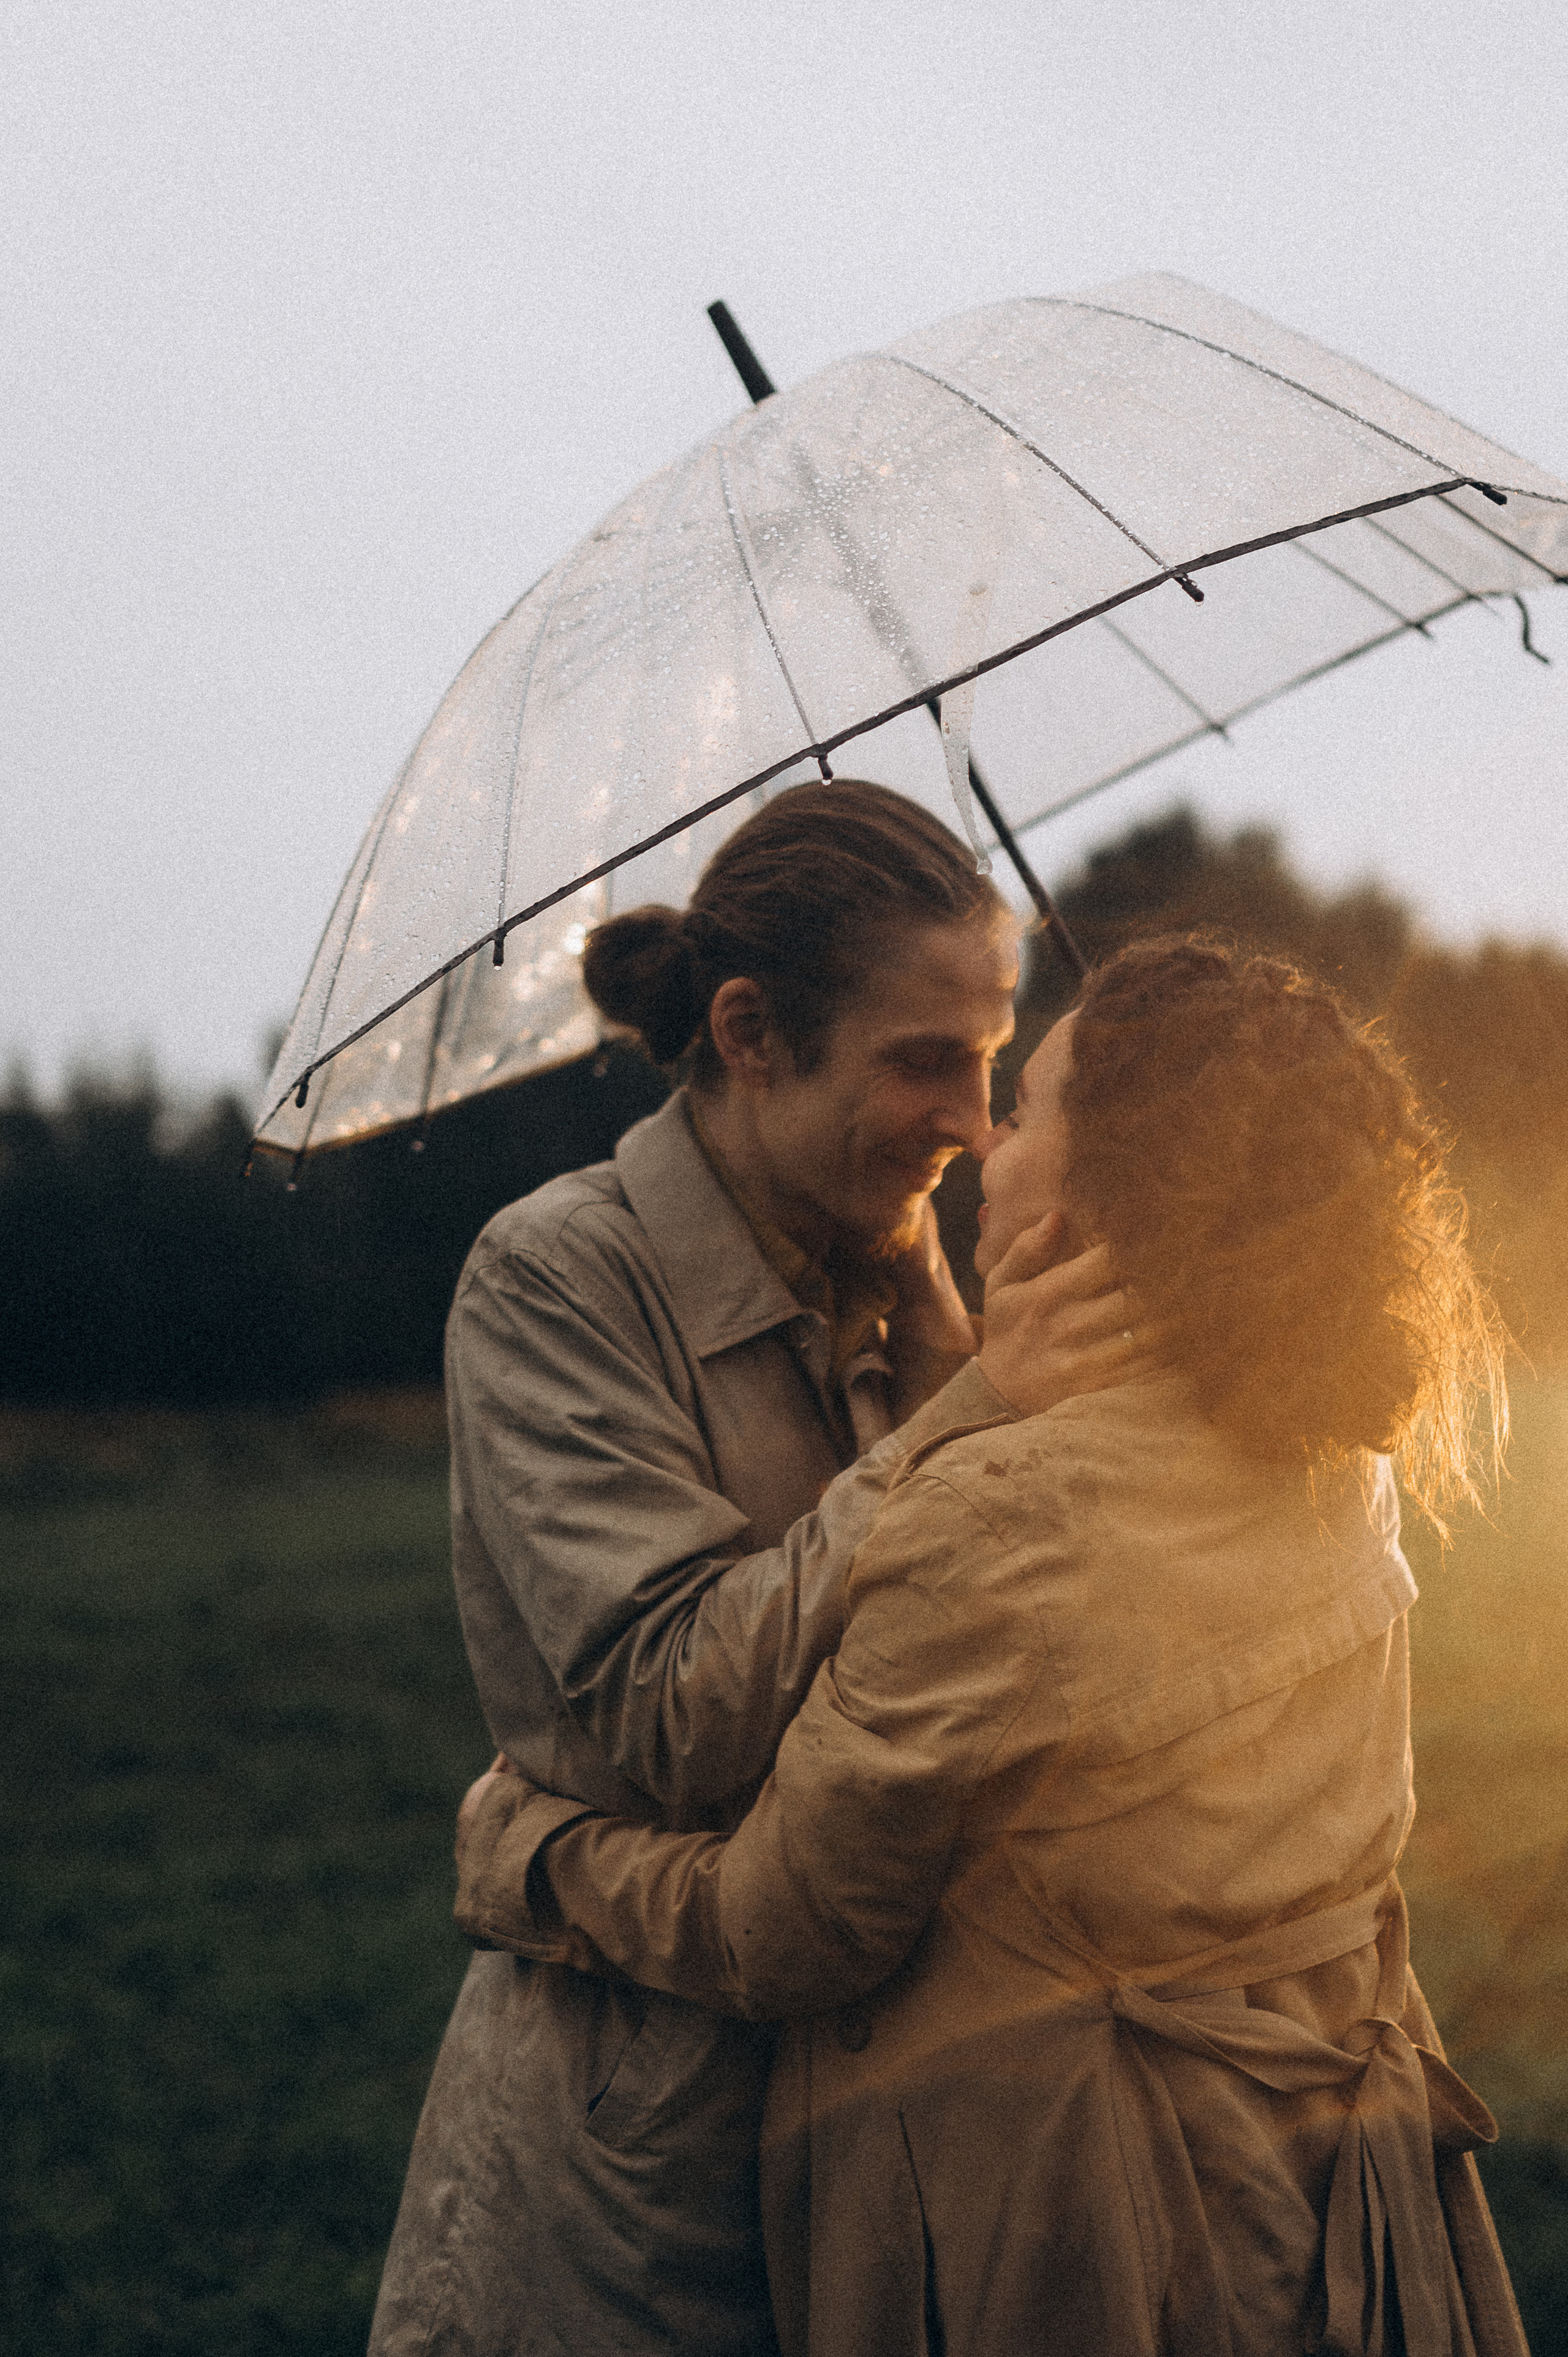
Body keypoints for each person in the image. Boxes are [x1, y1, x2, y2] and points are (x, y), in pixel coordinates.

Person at [454, 937, 1528, 2357]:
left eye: (1018, 1110)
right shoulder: (1334, 1443)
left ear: (1104, 1196)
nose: (978, 1145)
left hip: (1091, 2222)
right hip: (1329, 2183)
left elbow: (782, 1929)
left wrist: (531, 1855)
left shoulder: (995, 1516)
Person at [369, 782, 1142, 2357]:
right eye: (922, 1060)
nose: (971, 1119)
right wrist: (978, 1414)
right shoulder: (553, 1276)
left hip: (916, 2131)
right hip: (650, 2167)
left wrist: (977, 1357)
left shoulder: (899, 1258)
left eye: (991, 1059)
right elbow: (671, 1713)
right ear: (747, 1033)